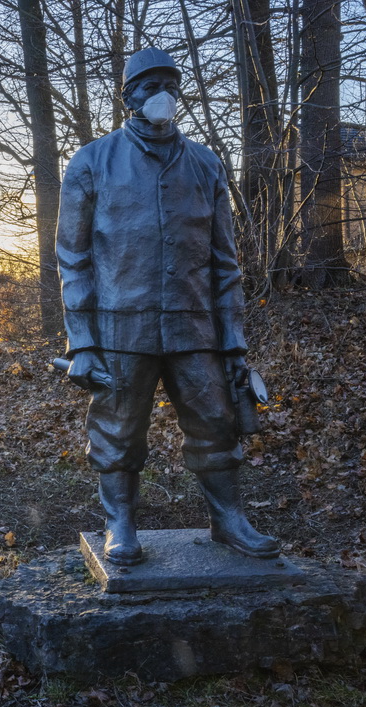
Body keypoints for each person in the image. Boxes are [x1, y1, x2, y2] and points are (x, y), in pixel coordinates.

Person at [55, 47, 279, 566]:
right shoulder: (92, 162)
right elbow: (73, 258)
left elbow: (226, 264)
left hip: (195, 327)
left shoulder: (205, 164)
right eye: (149, 84)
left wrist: (234, 344)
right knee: (116, 428)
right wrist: (83, 342)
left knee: (217, 422)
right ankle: (120, 524)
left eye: (170, 83)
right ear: (128, 96)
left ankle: (228, 519)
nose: (161, 93)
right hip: (118, 332)